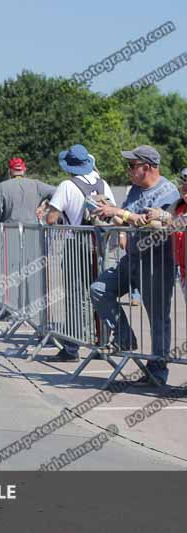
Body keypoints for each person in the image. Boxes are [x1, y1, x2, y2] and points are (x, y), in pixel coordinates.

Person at [90, 145, 180, 386]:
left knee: (158, 318)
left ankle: (157, 372)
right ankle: (124, 337)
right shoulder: (135, 190)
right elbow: (128, 217)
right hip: (131, 259)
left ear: (147, 168)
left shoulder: (168, 192)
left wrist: (121, 213)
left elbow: (149, 222)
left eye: (132, 166)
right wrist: (110, 214)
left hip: (157, 263)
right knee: (99, 289)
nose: (128, 170)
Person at [44, 145, 116, 362]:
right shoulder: (102, 184)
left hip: (76, 243)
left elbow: (51, 218)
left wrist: (50, 211)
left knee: (75, 297)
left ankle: (71, 348)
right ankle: (102, 344)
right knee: (100, 294)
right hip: (100, 243)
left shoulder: (67, 185)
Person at [0, 158, 56, 224]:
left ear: (9, 171)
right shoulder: (36, 185)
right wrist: (44, 206)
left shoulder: (2, 186)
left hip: (9, 231)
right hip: (33, 232)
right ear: (24, 170)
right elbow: (58, 193)